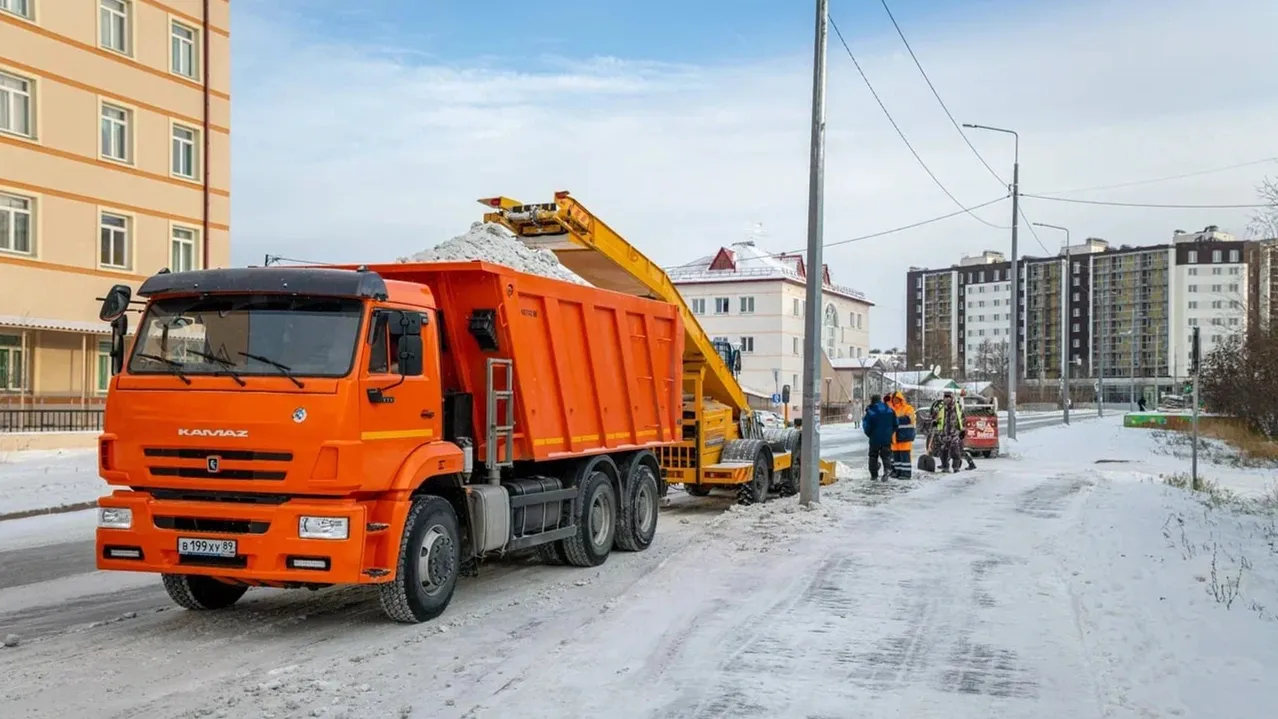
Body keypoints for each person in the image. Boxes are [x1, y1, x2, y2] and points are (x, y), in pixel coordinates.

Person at [861, 394, 896, 482]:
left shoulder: (871, 411)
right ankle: (887, 469)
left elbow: (866, 426)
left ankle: (874, 475)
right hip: (887, 438)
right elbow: (896, 423)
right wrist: (889, 433)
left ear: (872, 400)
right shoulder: (889, 409)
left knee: (873, 456)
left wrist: (870, 434)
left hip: (875, 438)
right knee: (886, 455)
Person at [932, 390, 966, 473]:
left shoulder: (958, 407)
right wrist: (934, 422)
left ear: (952, 398)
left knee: (955, 451)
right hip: (943, 433)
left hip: (954, 433)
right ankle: (945, 467)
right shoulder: (939, 407)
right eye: (945, 397)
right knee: (943, 452)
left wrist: (963, 430)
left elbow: (963, 418)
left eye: (949, 397)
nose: (947, 399)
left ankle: (956, 467)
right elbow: (934, 417)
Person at [887, 391, 916, 479]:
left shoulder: (908, 408)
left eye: (897, 399)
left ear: (901, 399)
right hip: (894, 437)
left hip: (905, 436)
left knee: (905, 457)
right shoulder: (891, 409)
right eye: (894, 399)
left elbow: (909, 419)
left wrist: (895, 419)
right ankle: (898, 472)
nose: (895, 401)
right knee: (897, 457)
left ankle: (906, 474)